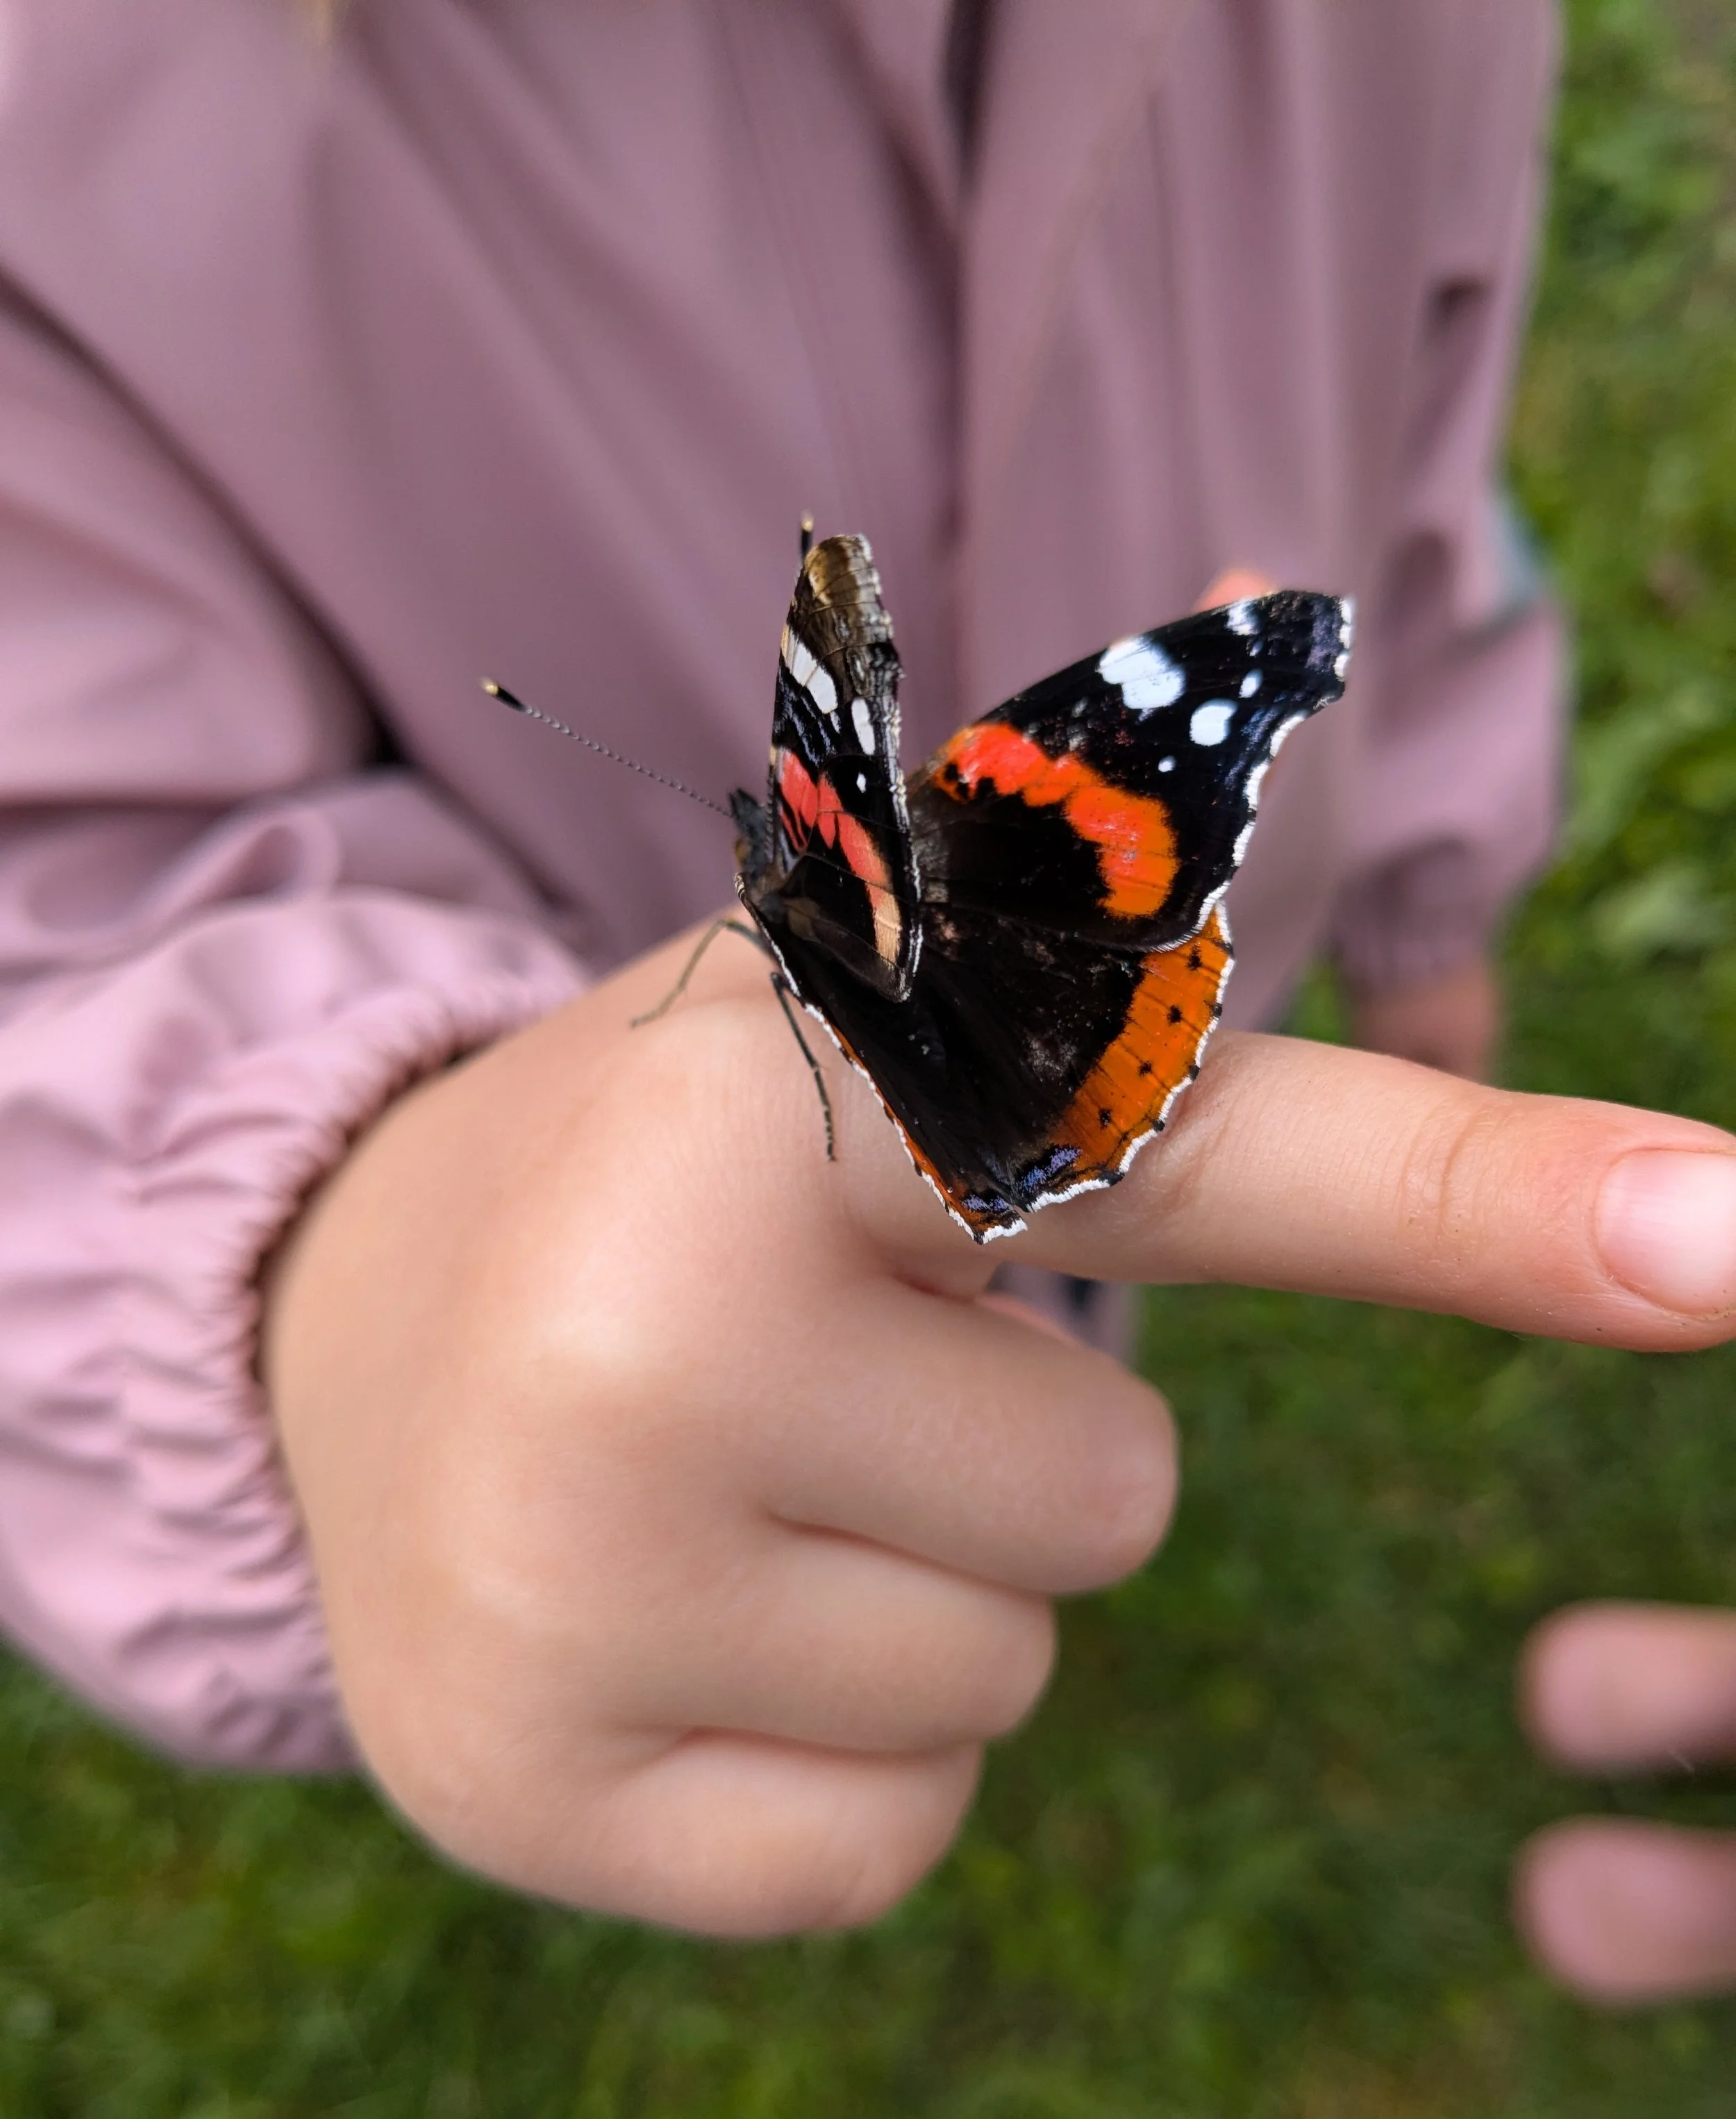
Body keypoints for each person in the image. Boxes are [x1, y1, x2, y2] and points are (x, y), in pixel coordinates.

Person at [0, 0, 1730, 1988]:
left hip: (1045, 1006)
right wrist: (353, 1259)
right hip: (820, 1104)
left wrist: (1426, 875)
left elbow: (1428, 390)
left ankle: (1015, 1257)